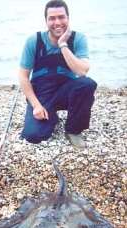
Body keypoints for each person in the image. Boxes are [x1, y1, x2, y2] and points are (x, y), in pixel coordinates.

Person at [19, 0, 97, 148]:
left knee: (87, 84)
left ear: (68, 18)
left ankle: (73, 130)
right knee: (33, 136)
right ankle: (51, 116)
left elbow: (82, 71)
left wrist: (63, 44)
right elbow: (23, 77)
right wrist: (36, 105)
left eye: (61, 17)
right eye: (52, 18)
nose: (57, 22)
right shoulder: (33, 41)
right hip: (42, 93)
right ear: (46, 21)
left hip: (66, 90)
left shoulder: (78, 38)